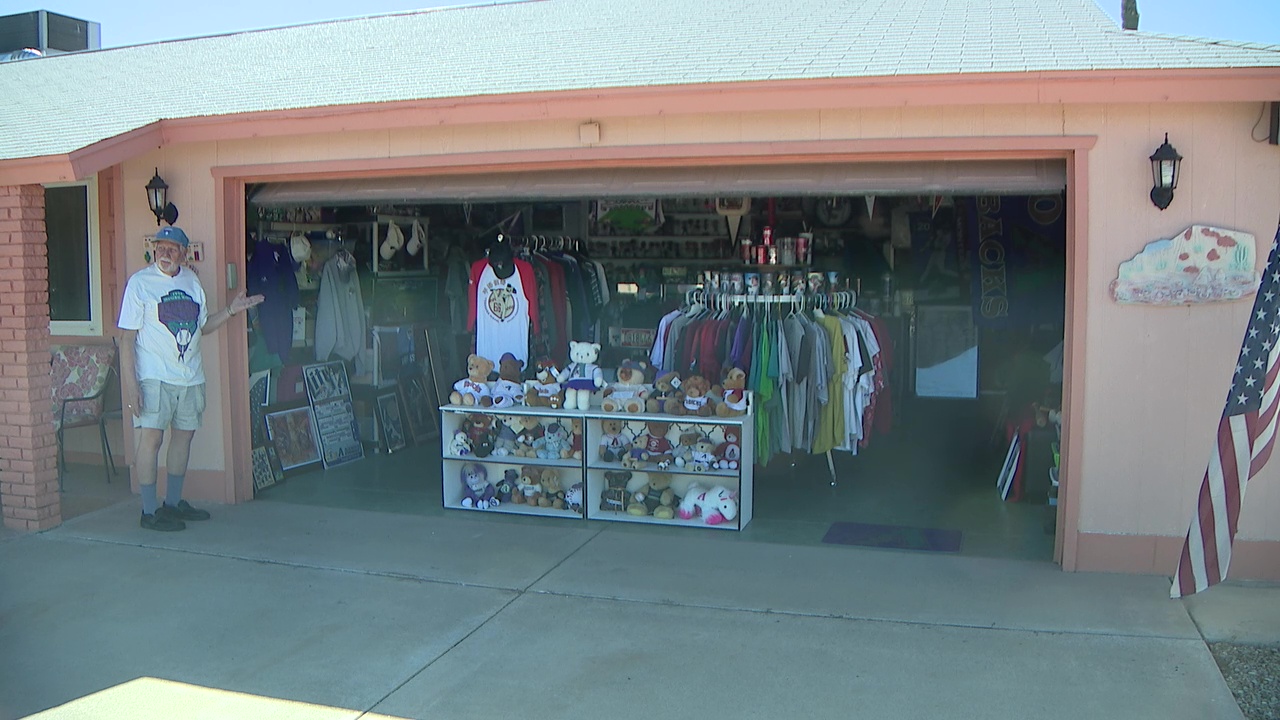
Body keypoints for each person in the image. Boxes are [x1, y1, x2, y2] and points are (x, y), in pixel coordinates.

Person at [118, 226, 264, 531]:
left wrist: (231, 311)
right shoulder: (139, 284)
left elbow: (203, 327)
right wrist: (131, 386)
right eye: (160, 247)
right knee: (152, 439)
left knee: (184, 436)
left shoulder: (191, 281)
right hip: (153, 377)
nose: (165, 253)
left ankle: (171, 504)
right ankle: (148, 511)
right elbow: (127, 338)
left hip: (190, 376)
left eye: (173, 249)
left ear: (184, 253)